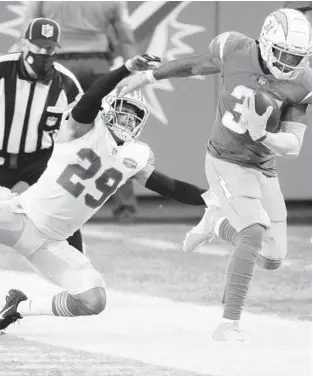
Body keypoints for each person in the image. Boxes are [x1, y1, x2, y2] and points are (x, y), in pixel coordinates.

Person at [117, 8, 312, 342]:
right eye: (281, 52)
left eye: (295, 57)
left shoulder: (302, 81)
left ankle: (215, 224)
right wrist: (148, 77)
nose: (287, 63)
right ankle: (228, 324)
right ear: (265, 41)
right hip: (224, 159)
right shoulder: (235, 48)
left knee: (272, 258)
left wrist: (263, 135)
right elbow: (195, 64)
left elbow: (292, 145)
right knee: (252, 233)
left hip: (263, 166)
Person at [0, 53, 207, 331]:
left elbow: (172, 187)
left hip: (51, 243)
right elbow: (91, 97)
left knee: (93, 300)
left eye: (135, 117)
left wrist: (213, 199)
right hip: (20, 217)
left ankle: (17, 309)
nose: (129, 120)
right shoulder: (82, 128)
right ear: (109, 108)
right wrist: (126, 69)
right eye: (124, 111)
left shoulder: (135, 156)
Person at [19, 1, 139, 223]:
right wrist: (134, 72)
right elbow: (126, 36)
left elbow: (29, 29)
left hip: (57, 66)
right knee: (113, 135)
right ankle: (126, 208)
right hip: (98, 66)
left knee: (46, 132)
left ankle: (41, 203)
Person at [0, 17, 85, 252]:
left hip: (38, 164)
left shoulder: (66, 84)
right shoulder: (1, 69)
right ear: (24, 43)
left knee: (64, 217)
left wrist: (28, 181)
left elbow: (77, 135)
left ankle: (78, 280)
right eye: (37, 46)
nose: (43, 53)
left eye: (49, 48)